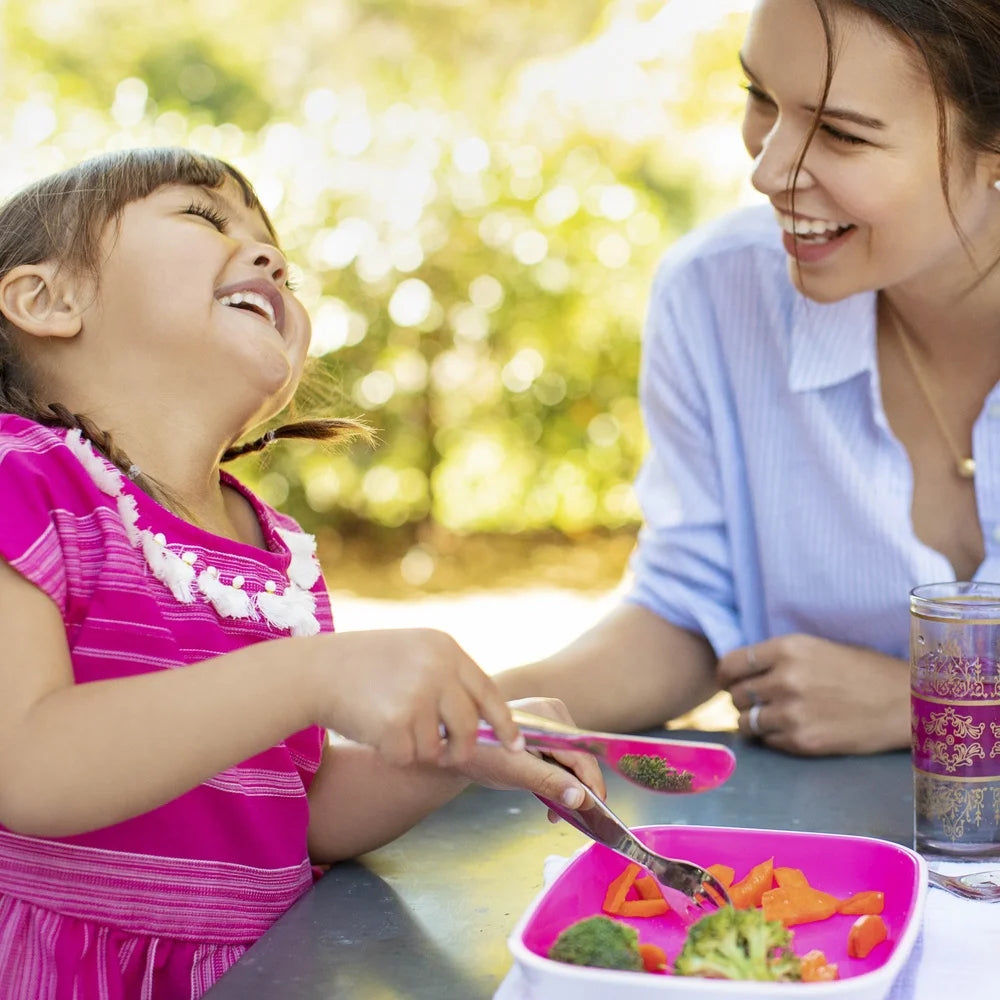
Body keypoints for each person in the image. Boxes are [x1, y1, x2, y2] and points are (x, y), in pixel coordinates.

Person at [0, 147, 603, 999]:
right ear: (47, 299)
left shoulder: (271, 549)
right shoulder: (20, 482)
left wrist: (444, 757)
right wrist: (316, 674)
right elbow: (27, 764)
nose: (270, 257)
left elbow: (292, 808)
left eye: (276, 249)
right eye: (205, 219)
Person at [498, 0, 1000, 758]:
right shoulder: (717, 292)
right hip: (835, 856)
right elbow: (694, 611)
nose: (768, 171)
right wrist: (467, 709)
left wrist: (928, 704)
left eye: (840, 133)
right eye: (760, 97)